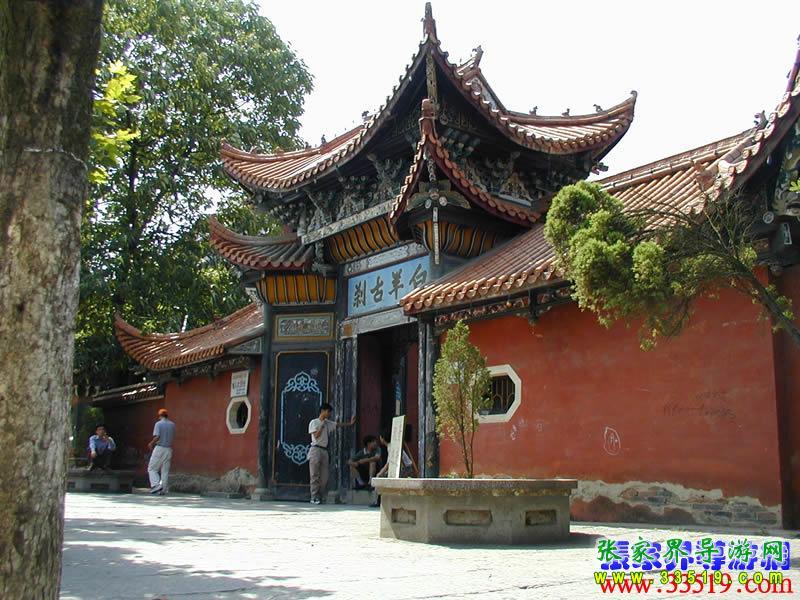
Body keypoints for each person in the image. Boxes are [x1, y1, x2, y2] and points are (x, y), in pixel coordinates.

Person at [307, 403, 355, 505]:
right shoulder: (314, 422)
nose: (329, 414)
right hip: (315, 449)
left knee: (324, 476)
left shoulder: (328, 423)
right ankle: (314, 496)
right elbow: (316, 436)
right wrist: (322, 425)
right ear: (322, 411)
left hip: (324, 450)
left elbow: (337, 425)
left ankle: (320, 495)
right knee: (314, 474)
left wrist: (350, 424)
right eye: (328, 412)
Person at [147, 408, 175, 496]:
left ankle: (156, 485)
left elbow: (157, 436)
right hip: (169, 449)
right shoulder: (172, 424)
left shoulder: (158, 424)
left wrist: (151, 443)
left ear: (160, 416)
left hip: (159, 448)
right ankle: (163, 489)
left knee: (152, 468)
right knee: (165, 470)